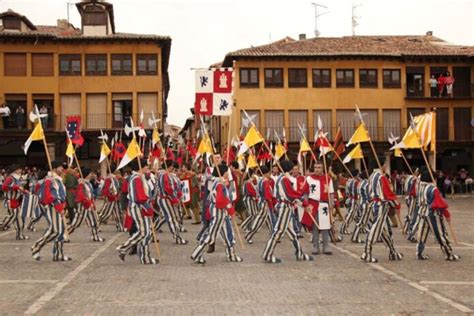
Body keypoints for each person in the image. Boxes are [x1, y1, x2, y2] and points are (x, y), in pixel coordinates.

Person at [262, 160, 314, 264]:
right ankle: (267, 254)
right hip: (285, 207)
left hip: (286, 206)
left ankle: (300, 253)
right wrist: (303, 203)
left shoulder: (283, 178)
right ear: (290, 168)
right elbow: (290, 195)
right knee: (278, 231)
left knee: (292, 233)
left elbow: (292, 193)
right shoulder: (284, 179)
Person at [191, 164, 242, 264]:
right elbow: (220, 201)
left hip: (220, 213)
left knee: (228, 234)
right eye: (227, 171)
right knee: (211, 235)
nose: (228, 173)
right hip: (219, 213)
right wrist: (229, 208)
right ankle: (196, 254)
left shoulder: (217, 182)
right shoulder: (219, 184)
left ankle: (231, 255)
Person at [117, 159, 158, 265]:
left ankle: (145, 257)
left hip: (142, 206)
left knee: (147, 233)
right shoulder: (136, 179)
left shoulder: (140, 177)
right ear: (141, 167)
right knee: (143, 232)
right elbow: (138, 197)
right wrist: (147, 207)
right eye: (146, 167)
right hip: (139, 207)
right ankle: (123, 248)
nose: (148, 169)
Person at [360, 162, 403, 263]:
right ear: (382, 164)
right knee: (375, 229)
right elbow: (388, 193)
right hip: (381, 205)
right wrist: (396, 204)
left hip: (375, 203)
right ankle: (366, 253)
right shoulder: (381, 177)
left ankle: (392, 252)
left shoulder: (371, 176)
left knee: (384, 232)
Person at [415, 168, 460, 261]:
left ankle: (419, 252)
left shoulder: (420, 186)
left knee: (422, 233)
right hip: (433, 213)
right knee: (441, 234)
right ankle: (448, 254)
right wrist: (447, 215)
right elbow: (439, 204)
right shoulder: (433, 189)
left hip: (422, 212)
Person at [31, 161, 70, 261]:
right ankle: (37, 246)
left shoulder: (56, 179)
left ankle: (58, 254)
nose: (62, 169)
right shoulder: (50, 180)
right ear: (54, 169)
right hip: (53, 207)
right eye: (60, 167)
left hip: (57, 206)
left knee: (60, 232)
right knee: (56, 231)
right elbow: (52, 196)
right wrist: (59, 207)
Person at [301, 161, 334, 255]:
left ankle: (326, 246)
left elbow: (331, 193)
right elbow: (305, 192)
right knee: (314, 226)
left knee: (325, 226)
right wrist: (306, 204)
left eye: (319, 167)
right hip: (313, 204)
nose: (317, 169)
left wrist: (331, 205)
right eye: (315, 167)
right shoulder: (309, 179)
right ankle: (315, 246)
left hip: (324, 205)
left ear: (323, 168)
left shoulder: (328, 179)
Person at [155, 160, 188, 245]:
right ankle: (177, 238)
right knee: (172, 218)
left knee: (166, 217)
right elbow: (167, 189)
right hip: (166, 198)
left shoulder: (164, 175)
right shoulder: (164, 175)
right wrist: (174, 198)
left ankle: (151, 233)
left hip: (166, 198)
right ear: (169, 166)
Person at [67, 168, 104, 242]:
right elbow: (81, 196)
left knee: (93, 221)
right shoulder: (81, 184)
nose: (91, 175)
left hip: (89, 205)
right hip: (83, 206)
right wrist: (87, 202)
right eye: (90, 173)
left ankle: (95, 236)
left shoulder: (87, 183)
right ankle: (64, 234)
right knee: (76, 223)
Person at [245, 165, 274, 244]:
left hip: (262, 201)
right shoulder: (264, 181)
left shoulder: (260, 180)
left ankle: (273, 234)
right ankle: (249, 235)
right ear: (267, 173)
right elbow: (268, 193)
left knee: (269, 220)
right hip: (265, 202)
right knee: (259, 221)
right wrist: (270, 200)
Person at [1, 164, 28, 240]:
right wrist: (16, 187)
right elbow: (4, 187)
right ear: (15, 170)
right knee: (12, 216)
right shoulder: (10, 178)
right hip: (11, 200)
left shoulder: (17, 178)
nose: (21, 170)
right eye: (19, 169)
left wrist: (25, 192)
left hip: (16, 201)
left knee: (19, 219)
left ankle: (20, 235)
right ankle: (2, 225)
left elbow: (19, 189)